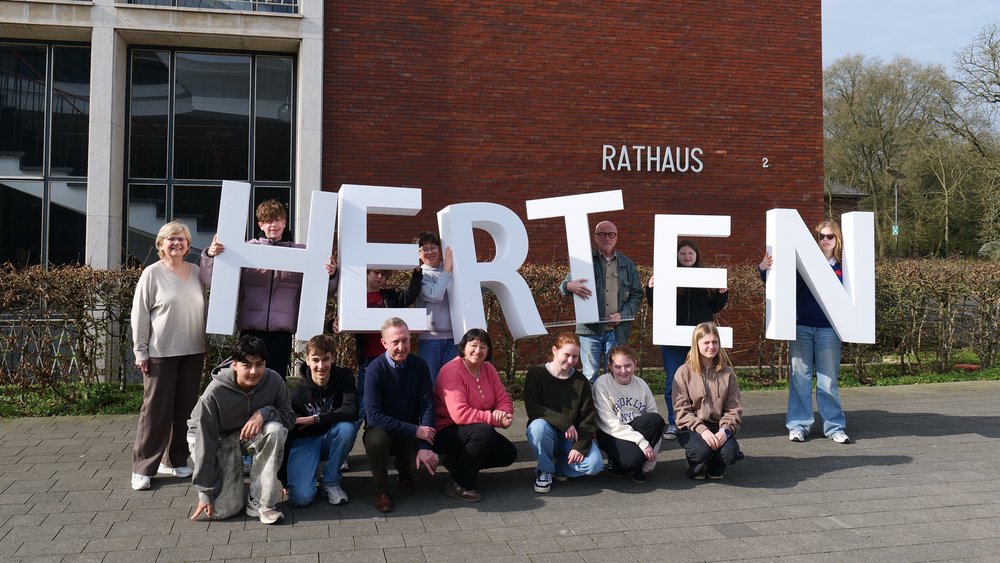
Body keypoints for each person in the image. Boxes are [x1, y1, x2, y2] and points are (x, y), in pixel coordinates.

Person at [200, 199, 337, 380]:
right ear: (261, 224)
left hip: (282, 333)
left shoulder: (302, 254)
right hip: (251, 329)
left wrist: (332, 274)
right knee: (246, 380)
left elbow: (323, 291)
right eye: (268, 221)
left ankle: (270, 411)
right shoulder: (244, 250)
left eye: (277, 220)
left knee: (275, 380)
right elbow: (212, 281)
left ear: (284, 222)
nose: (273, 225)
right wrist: (210, 256)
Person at [130, 221, 206, 492]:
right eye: (171, 239)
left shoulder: (196, 271)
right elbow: (139, 314)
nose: (177, 243)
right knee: (156, 411)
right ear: (161, 244)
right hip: (161, 352)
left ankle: (175, 459)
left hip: (194, 350)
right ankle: (143, 467)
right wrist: (141, 350)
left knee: (184, 410)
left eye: (182, 239)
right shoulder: (152, 273)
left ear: (188, 245)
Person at [759, 220, 851, 444]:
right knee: (800, 378)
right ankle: (798, 425)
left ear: (838, 239)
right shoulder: (804, 264)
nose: (825, 240)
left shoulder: (845, 267)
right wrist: (763, 269)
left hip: (829, 330)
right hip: (801, 327)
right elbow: (778, 282)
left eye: (830, 236)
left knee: (828, 382)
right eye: (821, 236)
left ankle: (834, 427)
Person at [187, 336, 296, 524]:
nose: (254, 371)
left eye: (259, 364)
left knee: (275, 430)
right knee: (224, 511)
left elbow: (289, 418)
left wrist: (265, 412)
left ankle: (261, 502)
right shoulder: (214, 392)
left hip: (247, 435)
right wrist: (206, 490)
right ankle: (226, 484)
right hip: (214, 438)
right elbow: (206, 441)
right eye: (247, 365)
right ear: (234, 365)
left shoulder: (274, 381)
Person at [646, 239, 729, 440]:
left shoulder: (706, 278)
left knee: (704, 379)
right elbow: (654, 303)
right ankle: (675, 422)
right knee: (673, 381)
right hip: (673, 338)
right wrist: (650, 288)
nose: (687, 257)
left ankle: (703, 420)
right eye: (682, 253)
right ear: (676, 256)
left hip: (700, 340)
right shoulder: (667, 277)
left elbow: (715, 307)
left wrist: (722, 294)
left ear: (697, 256)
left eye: (690, 253)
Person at [363, 317, 439, 512]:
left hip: (409, 434)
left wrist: (424, 445)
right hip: (382, 431)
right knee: (375, 440)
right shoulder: (374, 370)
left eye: (405, 340)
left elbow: (428, 405)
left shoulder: (419, 365)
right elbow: (374, 417)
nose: (401, 347)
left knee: (425, 469)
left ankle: (405, 469)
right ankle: (382, 491)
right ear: (384, 343)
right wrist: (415, 430)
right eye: (395, 342)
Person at [432, 328, 517, 501]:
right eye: (473, 345)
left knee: (508, 453)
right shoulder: (452, 371)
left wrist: (505, 413)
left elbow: (503, 399)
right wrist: (494, 419)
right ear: (463, 347)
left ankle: (457, 462)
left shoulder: (488, 368)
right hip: (445, 430)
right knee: (485, 432)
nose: (478, 351)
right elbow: (459, 414)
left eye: (483, 347)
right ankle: (459, 483)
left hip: (472, 430)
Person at [560, 221, 644, 383]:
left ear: (616, 237)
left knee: (614, 375)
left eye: (611, 234)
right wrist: (569, 286)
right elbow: (563, 286)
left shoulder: (627, 264)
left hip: (616, 330)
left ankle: (611, 408)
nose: (607, 238)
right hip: (589, 331)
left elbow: (637, 294)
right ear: (595, 237)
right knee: (589, 375)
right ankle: (590, 409)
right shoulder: (584, 262)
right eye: (602, 234)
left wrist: (624, 314)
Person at [281, 335, 358, 507]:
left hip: (331, 438)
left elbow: (351, 410)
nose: (321, 366)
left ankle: (330, 482)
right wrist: (284, 479)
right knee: (300, 499)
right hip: (304, 443)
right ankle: (310, 470)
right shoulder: (296, 394)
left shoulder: (344, 377)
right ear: (307, 360)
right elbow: (287, 435)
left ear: (333, 359)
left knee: (347, 428)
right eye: (315, 360)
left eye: (326, 359)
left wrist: (316, 419)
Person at [524, 332, 603, 493]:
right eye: (566, 355)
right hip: (548, 433)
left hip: (571, 438)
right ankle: (545, 471)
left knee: (595, 466)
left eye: (575, 357)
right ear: (554, 350)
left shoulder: (581, 381)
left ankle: (559, 466)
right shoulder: (536, 374)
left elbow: (588, 419)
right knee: (537, 427)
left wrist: (580, 447)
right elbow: (534, 408)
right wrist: (564, 423)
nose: (570, 361)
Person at [351, 267, 423, 426]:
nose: (379, 277)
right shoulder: (354, 297)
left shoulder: (389, 296)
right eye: (375, 272)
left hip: (392, 360)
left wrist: (417, 273)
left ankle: (380, 438)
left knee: (390, 400)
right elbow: (337, 322)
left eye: (383, 274)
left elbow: (409, 296)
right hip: (368, 360)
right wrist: (333, 324)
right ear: (367, 272)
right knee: (363, 404)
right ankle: (346, 444)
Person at [673, 322, 744, 480]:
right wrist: (702, 431)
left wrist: (725, 431)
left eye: (715, 342)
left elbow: (734, 408)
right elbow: (681, 411)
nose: (711, 346)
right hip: (692, 429)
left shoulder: (727, 373)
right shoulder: (683, 372)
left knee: (730, 454)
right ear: (696, 344)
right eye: (706, 342)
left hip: (718, 426)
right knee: (701, 451)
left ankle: (715, 465)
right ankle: (695, 461)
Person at [592, 346, 665, 483]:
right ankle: (620, 462)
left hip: (635, 428)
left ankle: (637, 466)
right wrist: (642, 442)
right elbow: (609, 423)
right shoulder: (601, 384)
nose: (623, 371)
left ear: (635, 364)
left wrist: (650, 461)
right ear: (610, 367)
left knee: (656, 419)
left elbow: (655, 422)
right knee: (631, 461)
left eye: (628, 366)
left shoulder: (641, 384)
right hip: (611, 433)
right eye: (618, 367)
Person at [414, 231, 458, 384]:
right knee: (430, 384)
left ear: (440, 249)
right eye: (424, 249)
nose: (430, 252)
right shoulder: (420, 275)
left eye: (433, 247)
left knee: (452, 384)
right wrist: (447, 271)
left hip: (455, 338)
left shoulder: (455, 270)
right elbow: (435, 295)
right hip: (430, 340)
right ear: (419, 254)